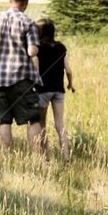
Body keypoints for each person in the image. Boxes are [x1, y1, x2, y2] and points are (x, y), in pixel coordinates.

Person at [0, 0, 43, 151]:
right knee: (33, 119)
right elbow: (32, 51)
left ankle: (7, 157)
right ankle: (39, 159)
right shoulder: (28, 22)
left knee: (4, 120)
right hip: (21, 77)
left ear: (11, 0)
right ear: (25, 2)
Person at [34, 18, 75, 160]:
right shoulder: (61, 48)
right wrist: (70, 84)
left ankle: (46, 156)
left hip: (43, 90)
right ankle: (66, 156)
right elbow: (68, 70)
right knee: (60, 124)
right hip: (59, 90)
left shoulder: (37, 49)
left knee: (42, 124)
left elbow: (36, 71)